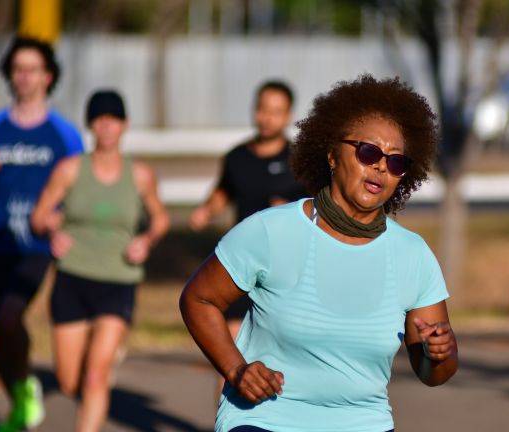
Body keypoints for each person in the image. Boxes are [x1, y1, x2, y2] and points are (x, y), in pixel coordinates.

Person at [180, 75, 459, 432]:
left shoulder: (412, 255)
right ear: (331, 154)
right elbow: (199, 300)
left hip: (363, 423)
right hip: (267, 420)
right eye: (369, 152)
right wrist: (236, 369)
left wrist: (440, 354)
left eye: (396, 162)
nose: (380, 167)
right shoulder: (271, 231)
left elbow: (433, 374)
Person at [0, 36, 84, 432]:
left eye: (32, 69)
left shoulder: (63, 133)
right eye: (17, 69)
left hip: (37, 244)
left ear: (48, 77)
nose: (24, 77)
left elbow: (80, 187)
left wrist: (66, 223)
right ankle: (19, 396)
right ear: (10, 76)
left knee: (11, 315)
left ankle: (24, 382)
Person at [31, 89, 170, 432]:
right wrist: (52, 232)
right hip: (73, 278)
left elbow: (161, 219)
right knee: (69, 381)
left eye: (114, 119)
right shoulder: (70, 170)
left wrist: (146, 240)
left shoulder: (140, 175)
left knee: (95, 376)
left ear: (125, 125)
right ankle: (100, 361)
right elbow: (38, 216)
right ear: (91, 125)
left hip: (119, 280)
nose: (107, 126)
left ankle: (103, 366)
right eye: (100, 119)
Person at [189, 80, 307, 339]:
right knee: (231, 347)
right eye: (262, 109)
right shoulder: (236, 157)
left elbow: (318, 209)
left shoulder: (300, 160)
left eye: (276, 112)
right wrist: (206, 210)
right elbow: (224, 191)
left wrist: (289, 211)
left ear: (288, 116)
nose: (267, 118)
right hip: (243, 263)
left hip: (285, 270)